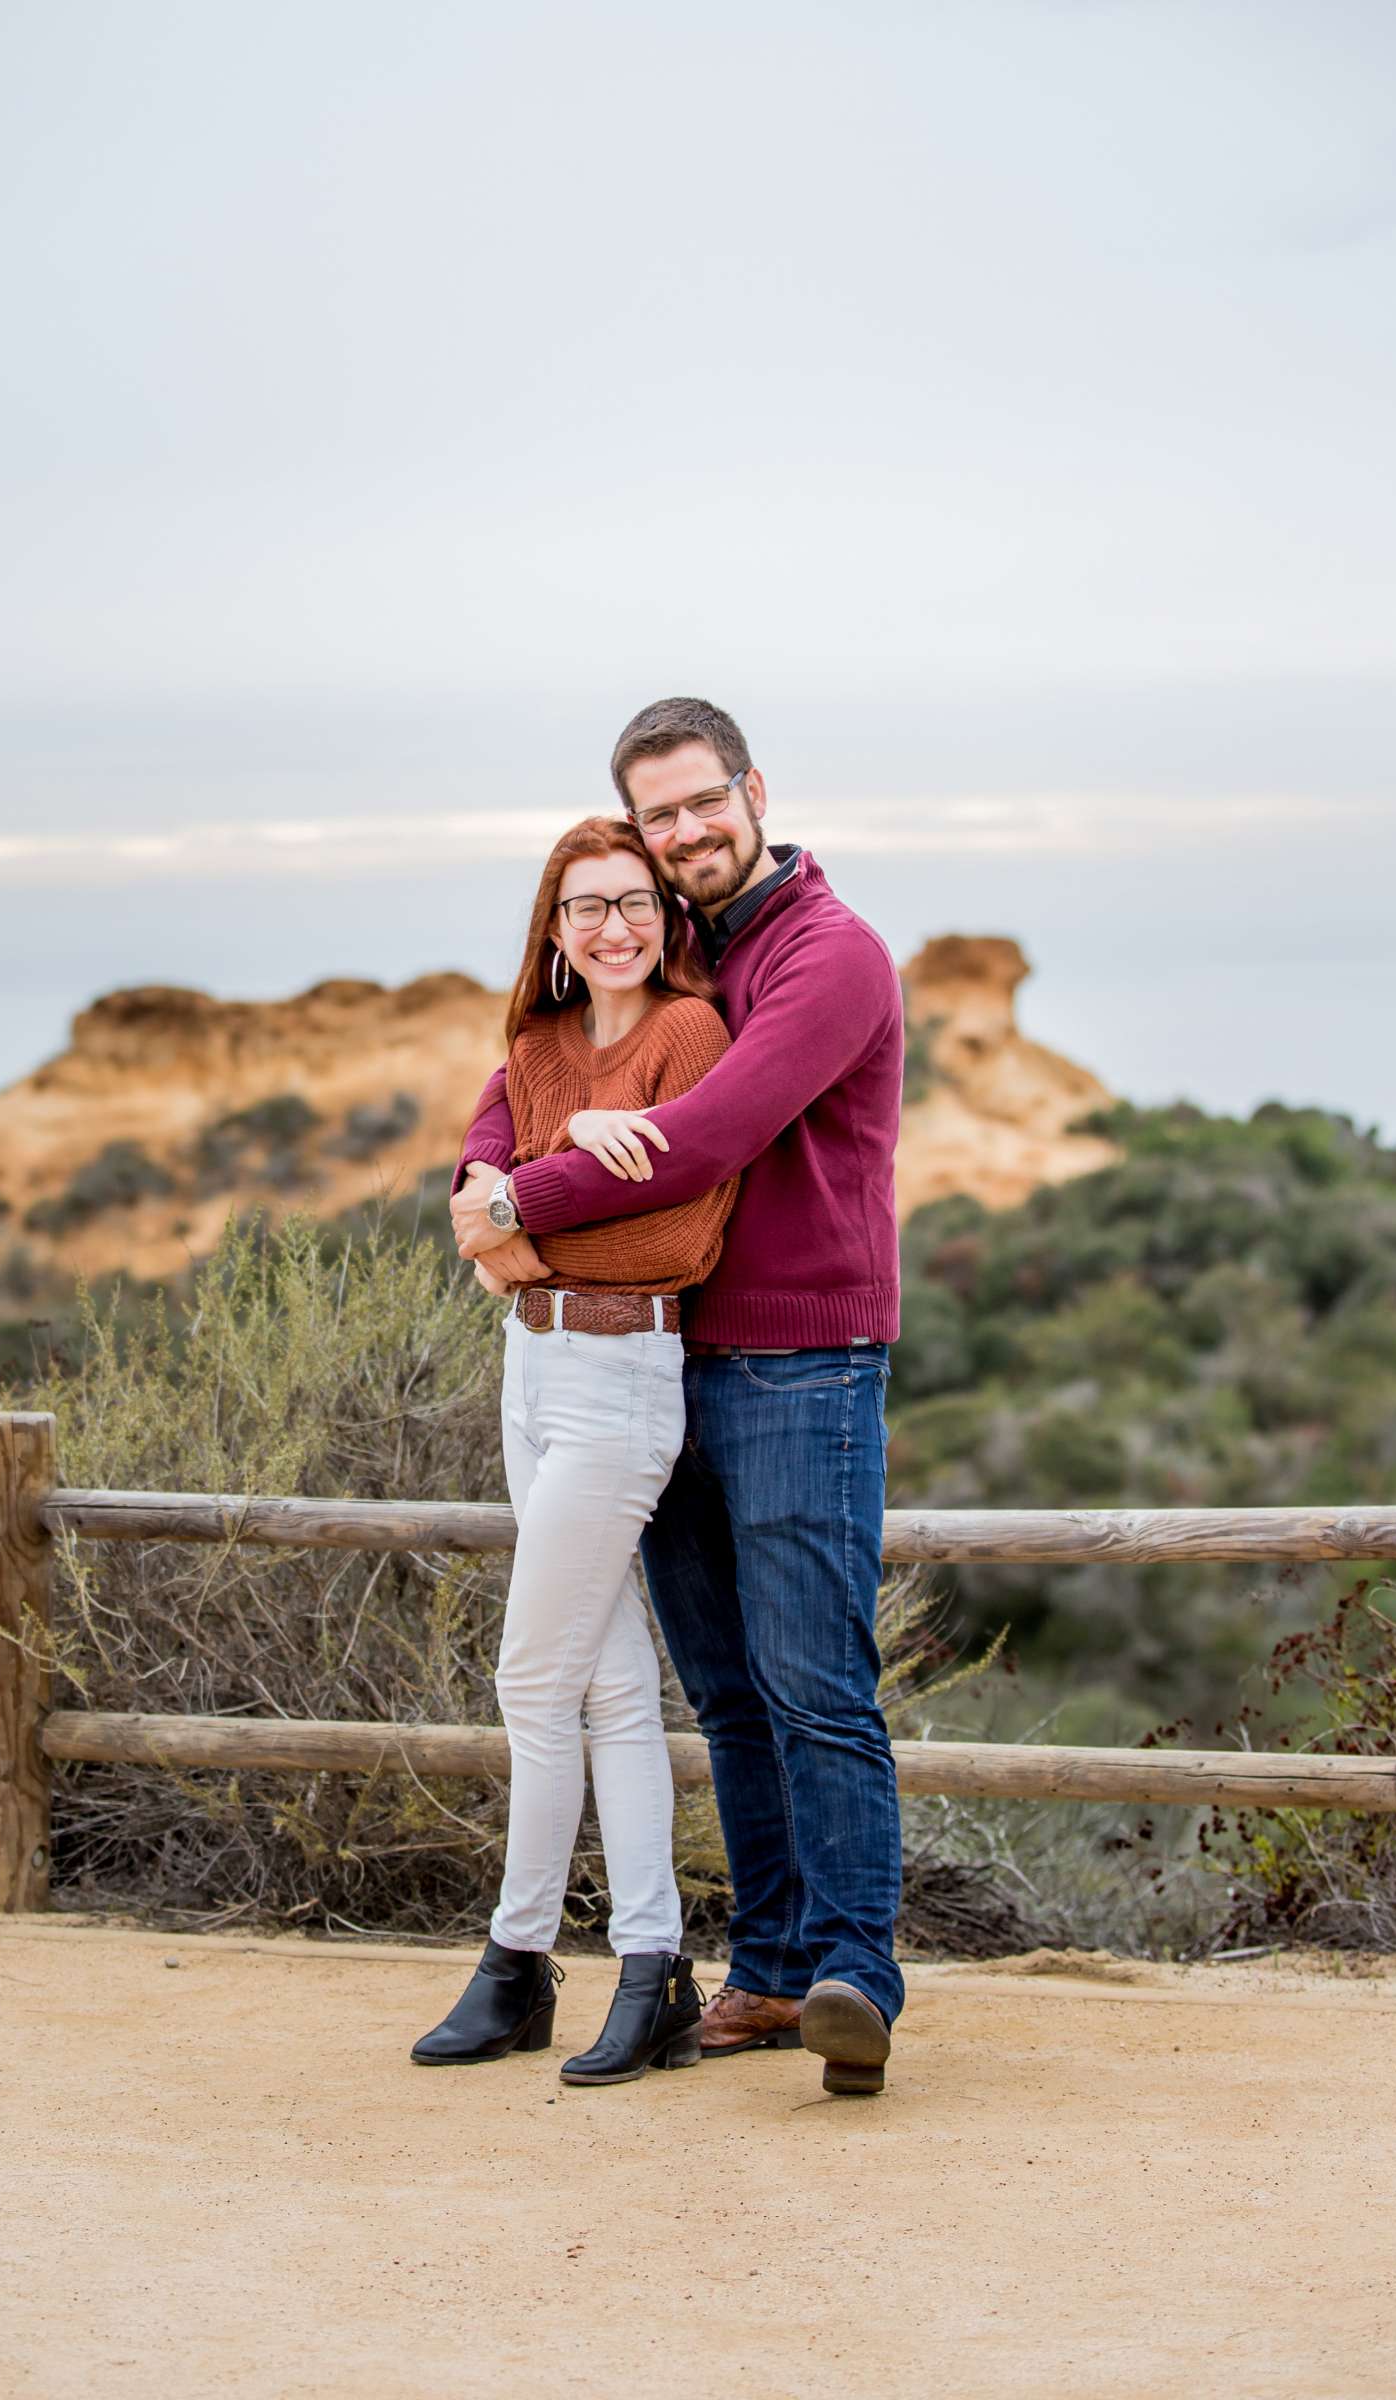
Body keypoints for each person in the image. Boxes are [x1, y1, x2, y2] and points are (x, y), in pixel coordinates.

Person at [452, 696, 905, 2098]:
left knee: (813, 1680)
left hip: (800, 1360)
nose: (686, 830)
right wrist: (480, 1177)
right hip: (663, 1360)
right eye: (659, 816)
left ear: (752, 789)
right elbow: (521, 1065)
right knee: (719, 1688)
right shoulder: (688, 940)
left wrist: (517, 1199)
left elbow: (701, 1136)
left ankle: (853, 1974)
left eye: (703, 801)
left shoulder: (830, 955)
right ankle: (766, 1972)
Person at [412, 814, 738, 2085]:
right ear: (555, 928)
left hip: (622, 1373)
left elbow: (674, 1237)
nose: (616, 926)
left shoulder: (688, 1035)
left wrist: (520, 1214)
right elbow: (466, 1213)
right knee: (603, 1690)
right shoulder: (537, 1047)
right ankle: (652, 1970)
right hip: (531, 1370)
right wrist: (555, 1175)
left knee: (532, 1680)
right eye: (589, 907)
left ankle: (516, 1959)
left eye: (637, 903)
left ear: (666, 919)